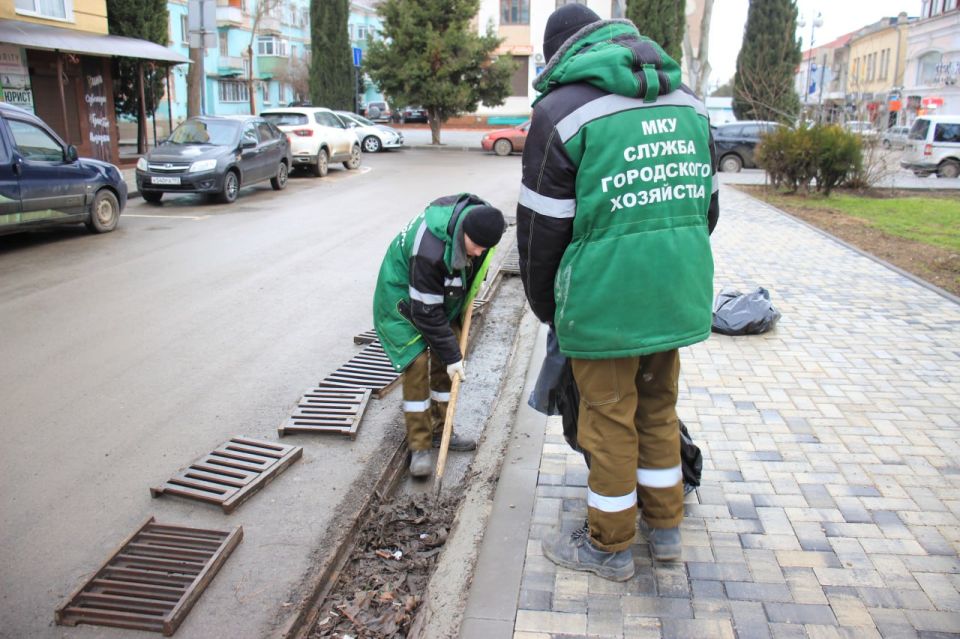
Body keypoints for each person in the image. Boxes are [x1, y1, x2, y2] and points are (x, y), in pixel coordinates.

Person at [517, 5, 719, 581]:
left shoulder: (560, 113)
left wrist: (550, 308)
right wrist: (668, 270)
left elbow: (539, 233)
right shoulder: (689, 104)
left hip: (605, 303)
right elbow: (707, 210)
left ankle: (608, 546)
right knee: (658, 409)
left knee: (608, 420)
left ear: (561, 55)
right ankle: (666, 530)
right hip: (674, 294)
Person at [373, 193, 506, 478]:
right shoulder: (429, 251)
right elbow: (424, 313)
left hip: (442, 294)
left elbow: (476, 258)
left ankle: (441, 429)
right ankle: (419, 444)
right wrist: (453, 355)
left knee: (449, 359)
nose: (480, 253)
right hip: (403, 300)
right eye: (476, 247)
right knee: (418, 363)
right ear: (463, 235)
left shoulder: (478, 222)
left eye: (485, 248)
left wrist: (452, 355)